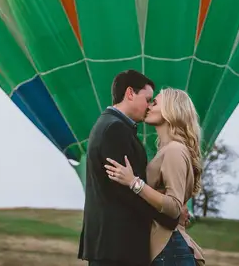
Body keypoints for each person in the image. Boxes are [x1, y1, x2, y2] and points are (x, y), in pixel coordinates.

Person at [78, 70, 183, 266]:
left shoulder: (110, 125)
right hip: (118, 247)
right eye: (148, 99)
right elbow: (124, 192)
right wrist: (169, 217)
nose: (150, 105)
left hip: (114, 247)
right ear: (129, 93)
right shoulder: (114, 129)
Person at [105, 88, 205, 265]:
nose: (149, 106)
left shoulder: (175, 150)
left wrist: (133, 182)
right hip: (166, 249)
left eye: (155, 102)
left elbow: (173, 206)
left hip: (169, 249)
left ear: (171, 110)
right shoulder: (167, 150)